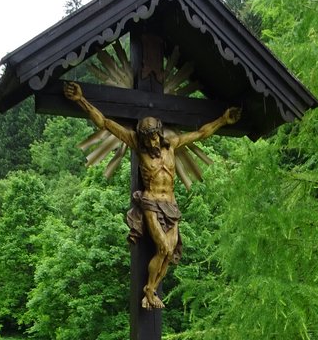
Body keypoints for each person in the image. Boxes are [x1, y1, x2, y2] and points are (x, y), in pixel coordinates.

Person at [62, 81, 241, 310]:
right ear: (142, 137)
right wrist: (80, 100)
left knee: (169, 254)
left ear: (159, 132)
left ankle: (153, 289)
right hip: (151, 203)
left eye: (154, 136)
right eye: (148, 138)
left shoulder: (172, 145)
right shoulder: (137, 144)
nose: (152, 141)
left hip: (172, 205)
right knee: (164, 248)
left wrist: (223, 120)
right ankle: (148, 289)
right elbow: (105, 123)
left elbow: (200, 133)